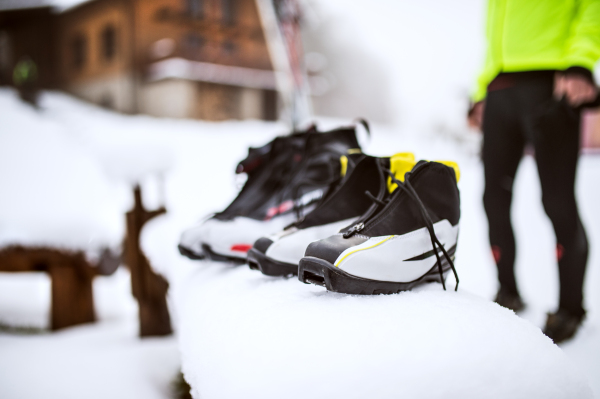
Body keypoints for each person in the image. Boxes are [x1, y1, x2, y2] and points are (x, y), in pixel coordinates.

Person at [468, 0, 600, 344]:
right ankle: (507, 290)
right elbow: (494, 33)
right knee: (493, 198)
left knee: (557, 199)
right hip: (499, 89)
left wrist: (581, 61)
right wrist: (481, 90)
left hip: (551, 79)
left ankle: (571, 308)